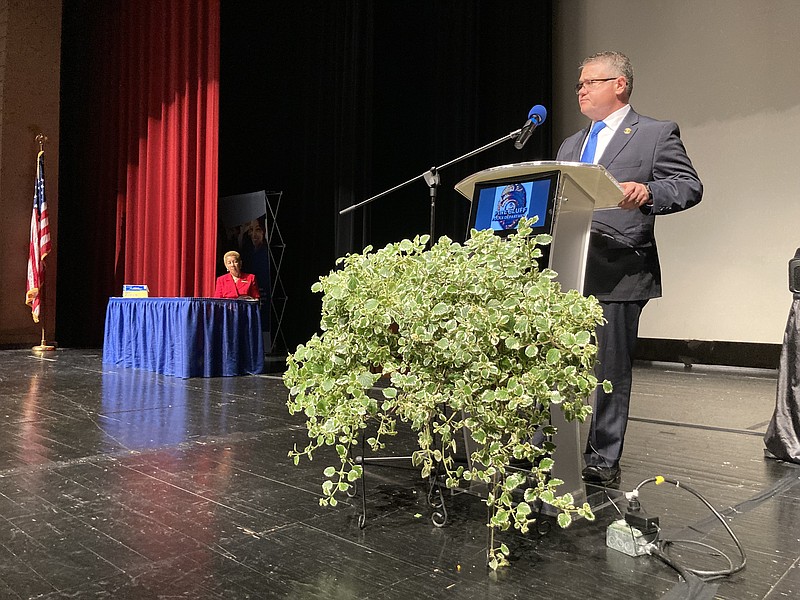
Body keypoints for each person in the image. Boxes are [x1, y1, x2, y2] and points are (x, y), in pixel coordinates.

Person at [556, 51, 702, 486]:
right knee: (560, 364)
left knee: (609, 372)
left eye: (590, 82)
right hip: (569, 267)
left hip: (620, 269)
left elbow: (689, 186)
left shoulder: (655, 133)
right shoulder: (570, 144)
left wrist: (648, 189)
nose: (580, 90)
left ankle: (602, 458)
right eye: (579, 84)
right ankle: (550, 447)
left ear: (619, 84)